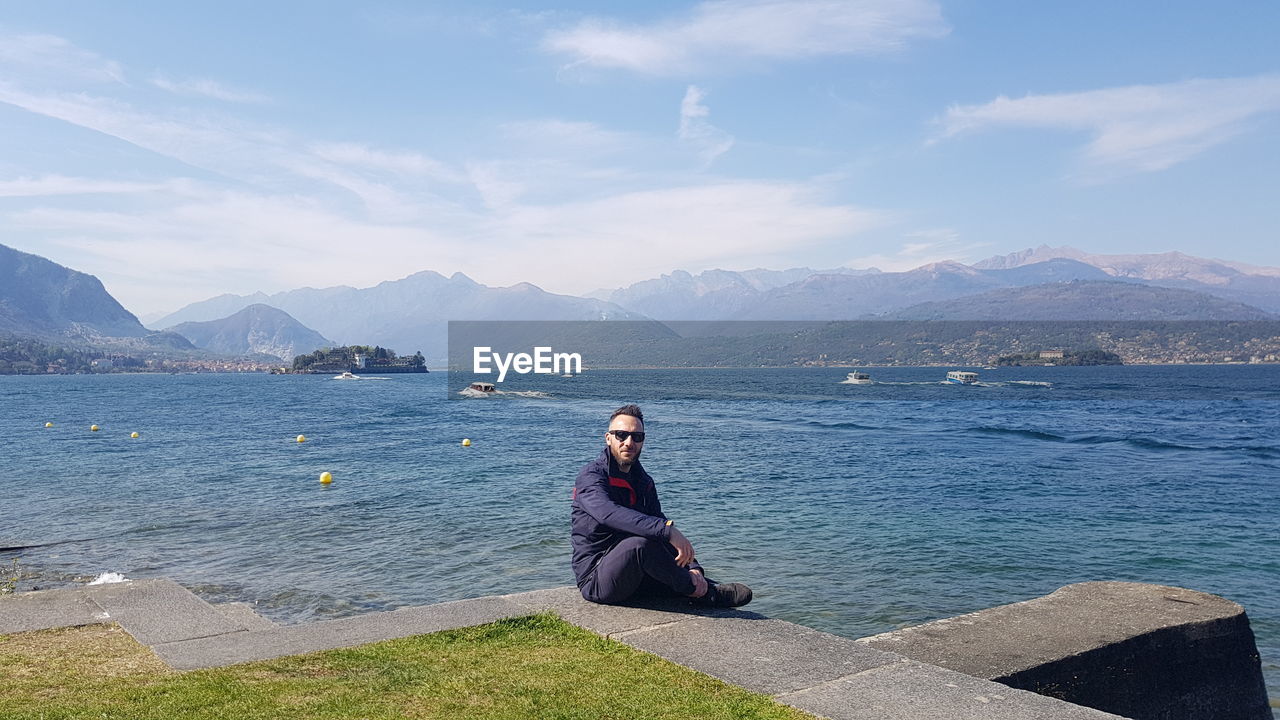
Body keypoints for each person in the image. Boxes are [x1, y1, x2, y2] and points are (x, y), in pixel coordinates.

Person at [570, 404, 752, 607]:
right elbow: (608, 513)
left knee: (655, 538)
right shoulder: (591, 477)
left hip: (636, 574)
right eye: (621, 435)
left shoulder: (643, 480)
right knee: (641, 545)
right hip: (597, 578)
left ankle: (700, 583)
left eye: (637, 437)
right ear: (608, 438)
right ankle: (706, 593)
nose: (629, 442)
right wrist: (667, 530)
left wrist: (693, 566)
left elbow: (656, 521)